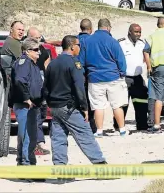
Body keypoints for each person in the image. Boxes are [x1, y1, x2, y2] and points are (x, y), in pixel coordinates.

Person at [43, 35, 107, 165]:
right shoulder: (74, 63)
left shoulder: (52, 63)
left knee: (58, 137)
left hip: (55, 106)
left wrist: (50, 103)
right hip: (69, 107)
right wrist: (84, 107)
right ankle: (100, 163)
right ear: (72, 46)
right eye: (79, 45)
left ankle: (60, 167)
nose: (80, 48)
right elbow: (79, 87)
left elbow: (46, 87)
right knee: (84, 134)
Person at [80, 18, 128, 137]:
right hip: (112, 77)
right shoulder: (112, 41)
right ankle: (122, 129)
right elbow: (121, 60)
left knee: (98, 106)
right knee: (116, 105)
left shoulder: (87, 41)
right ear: (108, 27)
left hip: (94, 78)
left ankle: (99, 130)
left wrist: (85, 74)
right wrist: (122, 73)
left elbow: (81, 61)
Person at [11, 38, 44, 167]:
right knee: (27, 137)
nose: (39, 53)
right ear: (27, 51)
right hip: (25, 105)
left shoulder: (32, 63)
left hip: (32, 105)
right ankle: (27, 165)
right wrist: (26, 98)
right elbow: (19, 80)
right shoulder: (24, 62)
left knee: (28, 137)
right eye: (36, 50)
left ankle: (26, 164)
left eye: (39, 49)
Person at [113, 24, 149, 131]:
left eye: (139, 32)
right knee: (122, 103)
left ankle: (142, 125)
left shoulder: (142, 44)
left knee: (141, 102)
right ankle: (119, 126)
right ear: (129, 32)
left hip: (137, 77)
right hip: (124, 78)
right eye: (136, 32)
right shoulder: (121, 43)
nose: (138, 34)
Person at [26, 27, 51, 156]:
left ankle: (39, 143)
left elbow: (48, 68)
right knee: (34, 118)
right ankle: (34, 146)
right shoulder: (25, 56)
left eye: (39, 37)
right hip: (31, 93)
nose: (38, 40)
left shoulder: (44, 51)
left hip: (42, 90)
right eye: (35, 38)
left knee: (41, 116)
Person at [76, 19, 97, 134]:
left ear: (80, 27)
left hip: (76, 74)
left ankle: (79, 125)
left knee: (78, 100)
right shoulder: (93, 41)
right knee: (91, 101)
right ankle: (91, 126)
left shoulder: (74, 39)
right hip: (89, 74)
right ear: (91, 28)